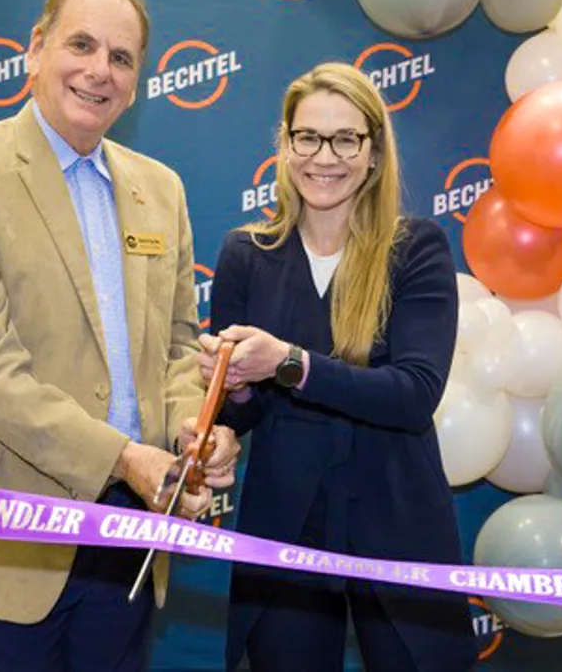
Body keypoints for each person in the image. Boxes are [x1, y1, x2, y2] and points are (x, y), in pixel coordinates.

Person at [0, 0, 240, 670]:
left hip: (129, 533)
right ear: (36, 49)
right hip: (4, 534)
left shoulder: (163, 189)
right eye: (82, 46)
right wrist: (124, 455)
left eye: (121, 58)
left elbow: (181, 346)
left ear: (137, 81)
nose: (100, 71)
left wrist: (192, 426)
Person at [197, 62, 478, 671]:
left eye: (346, 138)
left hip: (399, 520)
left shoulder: (417, 248)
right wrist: (233, 395)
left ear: (373, 153)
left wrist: (290, 363)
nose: (325, 157)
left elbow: (412, 395)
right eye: (308, 137)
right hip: (286, 523)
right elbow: (240, 412)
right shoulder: (246, 253)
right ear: (285, 144)